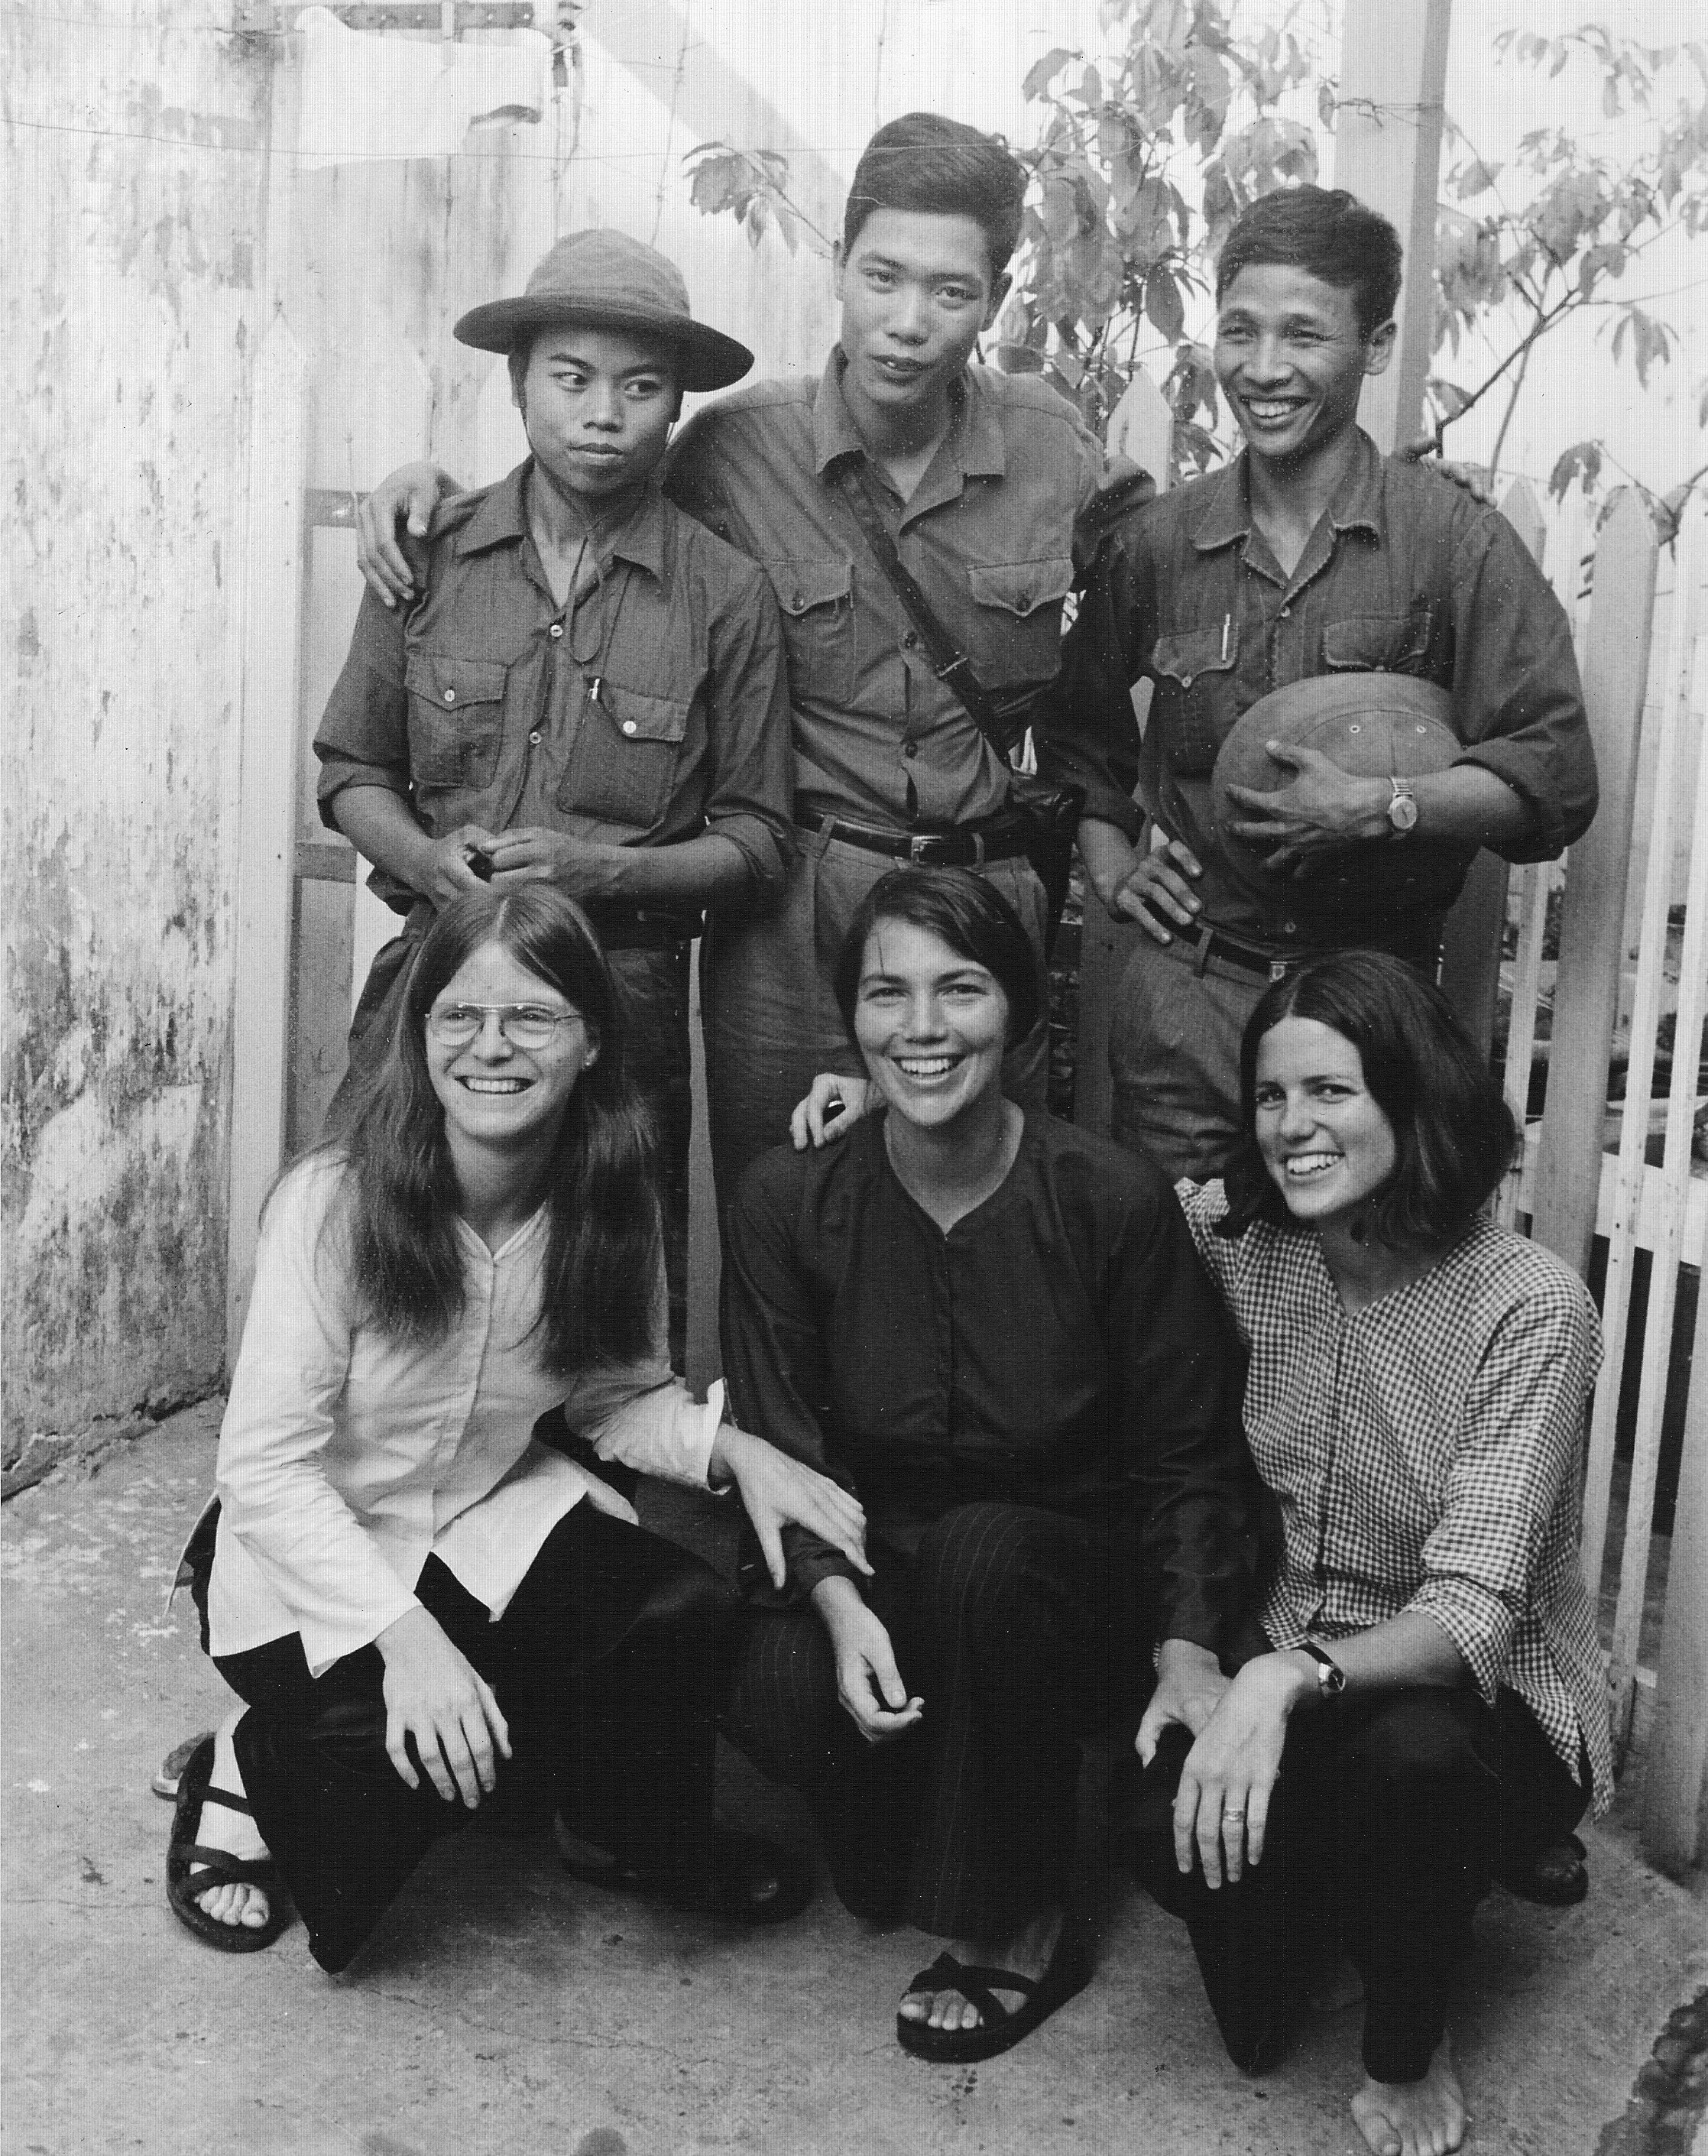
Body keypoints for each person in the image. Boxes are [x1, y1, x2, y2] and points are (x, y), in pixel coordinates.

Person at [352, 114, 1155, 1209]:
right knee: (784, 1207)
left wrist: (1109, 822)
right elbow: (584, 481)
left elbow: (1132, 618)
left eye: (949, 292)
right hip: (793, 913)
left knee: (985, 1210)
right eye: (882, 277)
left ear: (996, 297)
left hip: (984, 888)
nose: (909, 323)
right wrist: (424, 487)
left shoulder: (1051, 446)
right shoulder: (734, 450)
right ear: (840, 266)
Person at [165, 886, 867, 1973]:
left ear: (589, 1039)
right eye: (460, 1016)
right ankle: (237, 1773)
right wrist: (407, 1641)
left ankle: (612, 1827)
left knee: (673, 1609)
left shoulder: (609, 1194)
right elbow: (262, 1471)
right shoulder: (331, 1202)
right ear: (423, 1034)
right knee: (381, 1796)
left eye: (532, 1017)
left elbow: (615, 1400)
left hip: (485, 1517)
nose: (491, 1048)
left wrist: (738, 1452)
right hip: (308, 1560)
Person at [718, 867, 1258, 2060]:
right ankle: (927, 1807)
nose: (921, 1030)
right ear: (849, 1022)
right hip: (882, 1575)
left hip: (1061, 1590)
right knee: (770, 1681)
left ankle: (1008, 1918)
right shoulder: (790, 1200)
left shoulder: (1108, 1198)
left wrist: (1186, 1644)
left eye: (958, 991)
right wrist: (833, 1600)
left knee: (985, 1555)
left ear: (1017, 1011)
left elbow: (1187, 1451)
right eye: (886, 995)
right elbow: (779, 1440)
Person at [1127, 951, 1613, 2156]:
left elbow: (1469, 1616)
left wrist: (1281, 1681)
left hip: (1481, 1704)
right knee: (1176, 1861)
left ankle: (1409, 2041)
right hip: (1288, 1644)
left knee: (1408, 1766)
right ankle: (1360, 1901)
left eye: (1330, 1092)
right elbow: (1089, 1211)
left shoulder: (1528, 1305)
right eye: (1270, 1095)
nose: (1291, 1127)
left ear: (1410, 1096)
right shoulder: (1242, 1243)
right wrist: (897, 1106)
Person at [314, 228, 794, 1363]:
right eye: (570, 379)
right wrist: (428, 862)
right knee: (367, 1263)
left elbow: (758, 839)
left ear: (675, 405)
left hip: (617, 1012)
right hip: (430, 988)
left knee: (602, 1319)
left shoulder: (722, 594)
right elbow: (351, 774)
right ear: (518, 382)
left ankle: (586, 1530)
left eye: (640, 387)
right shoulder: (423, 554)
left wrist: (604, 871)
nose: (602, 414)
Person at [1066, 184, 1597, 1183]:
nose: (1262, 371)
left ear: (1376, 343)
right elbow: (1080, 730)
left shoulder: (1451, 543)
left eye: (1302, 335)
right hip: (1188, 1008)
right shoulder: (1157, 546)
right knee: (1169, 1304)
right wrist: (1109, 858)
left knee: (1348, 1299)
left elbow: (1555, 778)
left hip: (1363, 1014)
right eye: (1239, 331)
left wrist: (1382, 808)